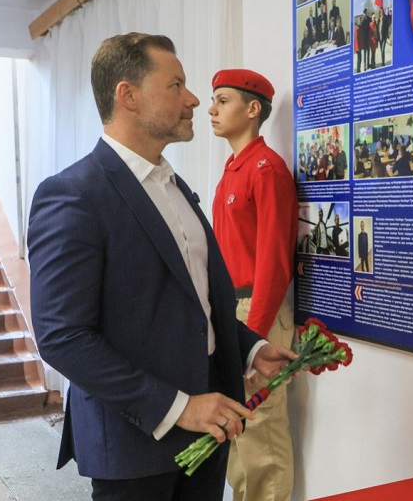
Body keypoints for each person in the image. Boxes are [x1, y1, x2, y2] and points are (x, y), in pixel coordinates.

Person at [28, 33, 296, 501]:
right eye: (176, 85)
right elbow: (62, 336)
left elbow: (192, 300)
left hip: (208, 429)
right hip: (136, 445)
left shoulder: (173, 186)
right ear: (128, 96)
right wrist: (178, 408)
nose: (193, 100)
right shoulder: (74, 194)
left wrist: (250, 348)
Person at [208, 69, 299, 501]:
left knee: (261, 431)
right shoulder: (233, 170)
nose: (211, 109)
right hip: (232, 311)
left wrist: (255, 337)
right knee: (237, 426)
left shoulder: (266, 170)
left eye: (223, 100)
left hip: (257, 310)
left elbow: (274, 262)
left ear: (252, 109)